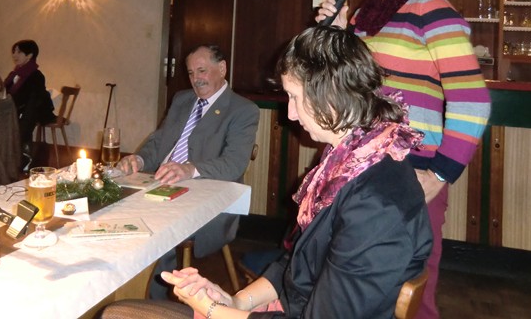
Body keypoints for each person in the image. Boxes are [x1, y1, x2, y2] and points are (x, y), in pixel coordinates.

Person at [101, 26, 432, 319]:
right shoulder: (347, 163)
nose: (290, 113)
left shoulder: (376, 200)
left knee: (117, 314)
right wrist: (236, 300)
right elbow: (298, 264)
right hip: (287, 307)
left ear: (330, 94)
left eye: (294, 97)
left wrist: (216, 311)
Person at [316, 0, 491, 319]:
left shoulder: (432, 9)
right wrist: (339, 34)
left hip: (410, 169)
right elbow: (355, 88)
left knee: (407, 289)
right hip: (359, 162)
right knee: (351, 281)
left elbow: (472, 99)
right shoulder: (366, 14)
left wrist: (441, 173)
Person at [117, 44, 259, 300]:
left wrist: (190, 169)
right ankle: (116, 292)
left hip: (206, 198)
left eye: (202, 70)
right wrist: (139, 159)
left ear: (222, 68)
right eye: (191, 73)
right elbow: (159, 142)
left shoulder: (242, 110)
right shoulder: (182, 100)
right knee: (116, 215)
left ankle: (148, 304)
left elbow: (234, 164)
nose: (196, 79)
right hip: (158, 183)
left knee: (156, 234)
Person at [3, 39, 55, 167]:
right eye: (14, 51)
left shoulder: (36, 76)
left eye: (19, 52)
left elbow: (31, 101)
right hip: (15, 111)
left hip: (27, 114)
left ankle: (20, 158)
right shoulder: (14, 74)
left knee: (24, 119)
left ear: (29, 55)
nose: (14, 55)